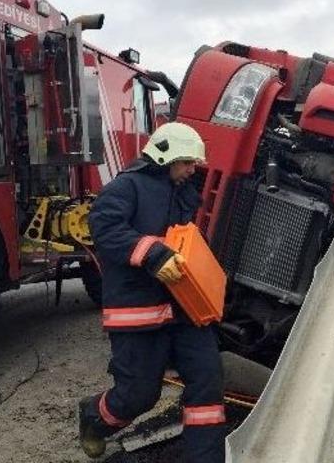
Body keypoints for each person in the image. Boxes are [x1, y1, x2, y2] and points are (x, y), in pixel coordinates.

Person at [78, 123, 225, 461]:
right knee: (139, 395)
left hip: (186, 312)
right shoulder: (126, 187)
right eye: (187, 162)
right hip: (139, 315)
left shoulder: (182, 192)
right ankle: (94, 418)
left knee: (207, 384)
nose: (192, 170)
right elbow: (105, 229)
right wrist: (153, 254)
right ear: (164, 156)